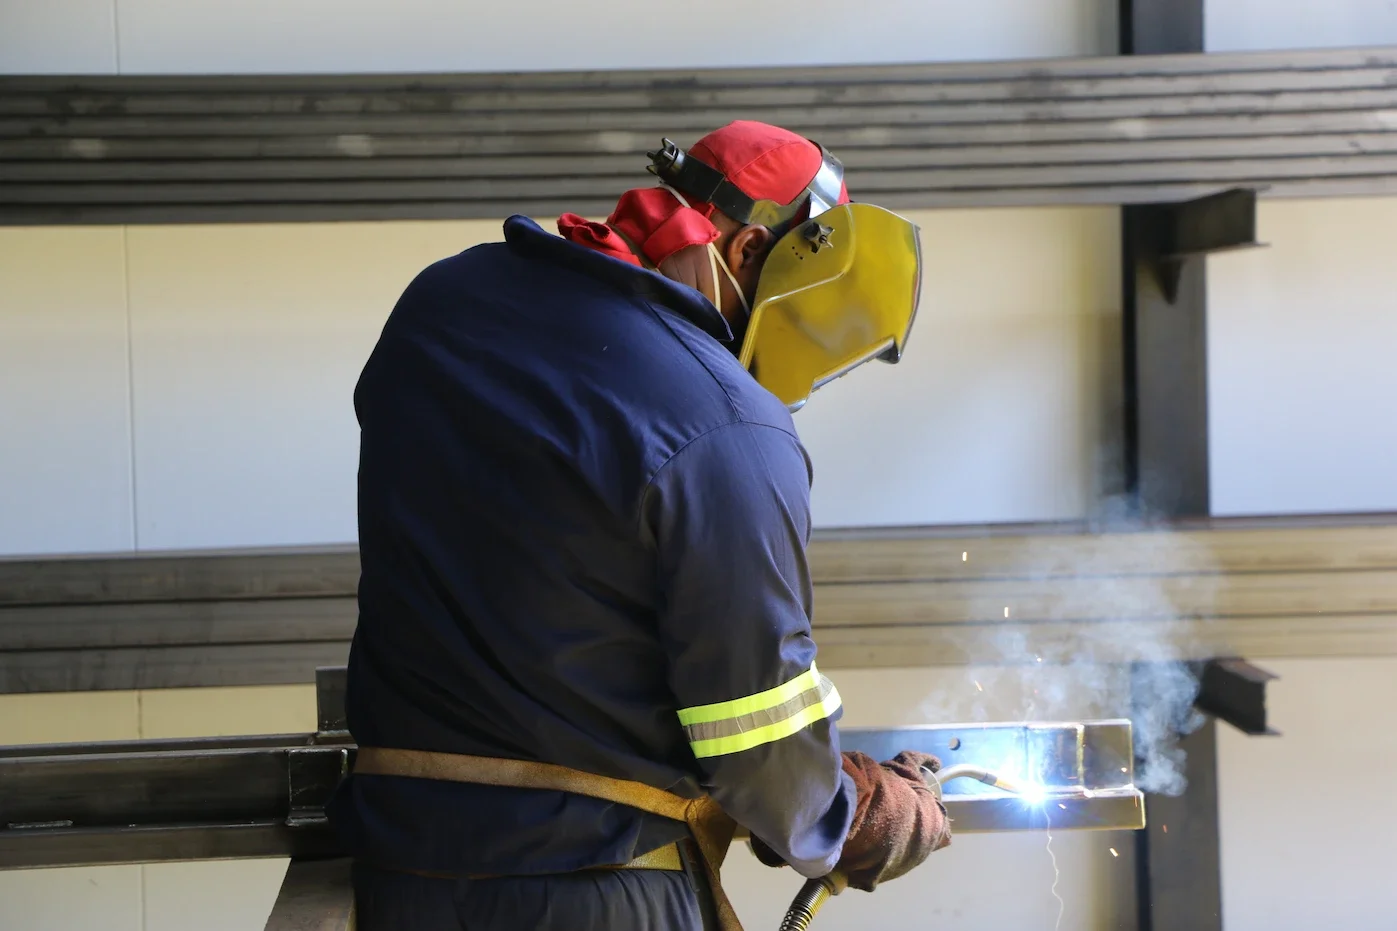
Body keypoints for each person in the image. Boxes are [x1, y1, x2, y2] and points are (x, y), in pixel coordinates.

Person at [326, 119, 950, 931]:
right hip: (595, 891)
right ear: (755, 253)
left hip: (397, 877)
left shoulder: (441, 306)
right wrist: (859, 817)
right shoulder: (724, 426)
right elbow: (758, 739)